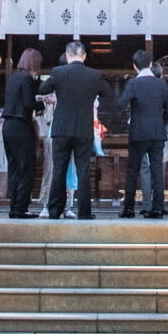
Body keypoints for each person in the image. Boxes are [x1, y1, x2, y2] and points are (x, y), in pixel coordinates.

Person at [38, 40, 107, 220]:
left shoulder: (58, 72)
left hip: (61, 128)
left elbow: (43, 88)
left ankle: (55, 210)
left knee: (59, 169)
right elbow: (108, 93)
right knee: (83, 170)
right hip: (84, 129)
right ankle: (84, 211)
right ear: (84, 56)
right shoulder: (94, 74)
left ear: (68, 55)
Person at [118, 48, 168, 219]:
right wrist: (160, 121)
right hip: (157, 132)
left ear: (135, 67)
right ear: (150, 64)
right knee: (157, 170)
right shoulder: (161, 84)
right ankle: (157, 208)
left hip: (138, 132)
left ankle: (128, 208)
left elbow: (121, 104)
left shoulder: (133, 83)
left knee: (133, 170)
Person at [1, 47, 45, 219]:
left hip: (8, 126)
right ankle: (21, 208)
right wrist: (42, 103)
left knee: (14, 168)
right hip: (20, 125)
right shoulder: (26, 79)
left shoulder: (13, 78)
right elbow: (28, 103)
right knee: (26, 167)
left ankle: (14, 207)